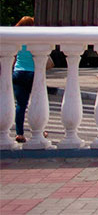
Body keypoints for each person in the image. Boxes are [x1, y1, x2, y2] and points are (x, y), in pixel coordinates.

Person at [11, 16, 51, 144]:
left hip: (18, 73)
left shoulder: (17, 40)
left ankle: (19, 133)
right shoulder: (35, 39)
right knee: (37, 102)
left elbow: (13, 57)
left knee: (21, 105)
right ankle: (40, 130)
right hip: (33, 73)